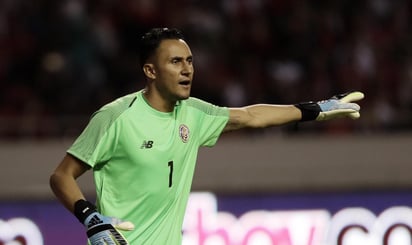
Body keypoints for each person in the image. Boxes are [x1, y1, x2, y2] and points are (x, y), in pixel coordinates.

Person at [49, 27, 364, 245]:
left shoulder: (193, 113)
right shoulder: (116, 117)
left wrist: (315, 109)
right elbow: (62, 176)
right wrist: (90, 217)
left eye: (189, 61)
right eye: (175, 62)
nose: (187, 69)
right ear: (150, 71)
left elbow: (250, 116)